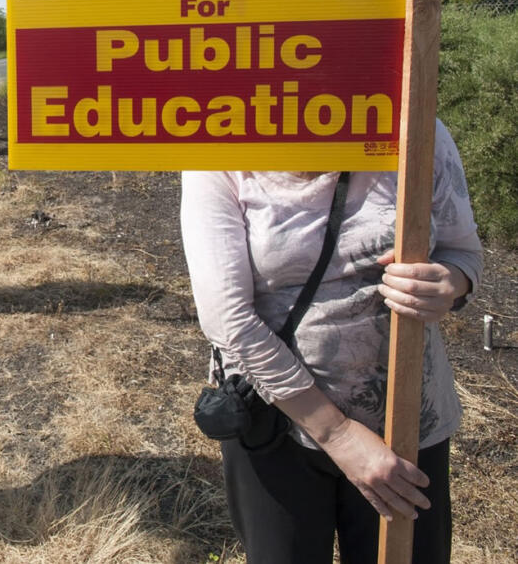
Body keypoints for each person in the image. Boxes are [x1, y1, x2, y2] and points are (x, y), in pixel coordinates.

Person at [179, 120, 482, 564]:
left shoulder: (415, 128)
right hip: (278, 423)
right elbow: (228, 319)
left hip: (406, 423)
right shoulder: (219, 146)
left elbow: (464, 251)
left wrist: (449, 283)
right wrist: (339, 435)